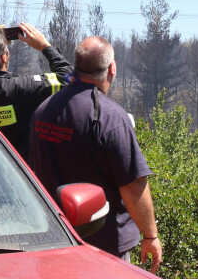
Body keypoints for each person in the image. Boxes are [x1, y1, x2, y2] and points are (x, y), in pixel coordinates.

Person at [29, 36, 162, 273]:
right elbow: (132, 185)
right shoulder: (110, 118)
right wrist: (151, 236)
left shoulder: (43, 110)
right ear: (111, 69)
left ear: (77, 65)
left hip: (53, 239)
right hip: (104, 248)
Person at [0, 23, 72, 160]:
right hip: (17, 174)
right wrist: (45, 46)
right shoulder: (23, 87)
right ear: (4, 57)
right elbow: (68, 77)